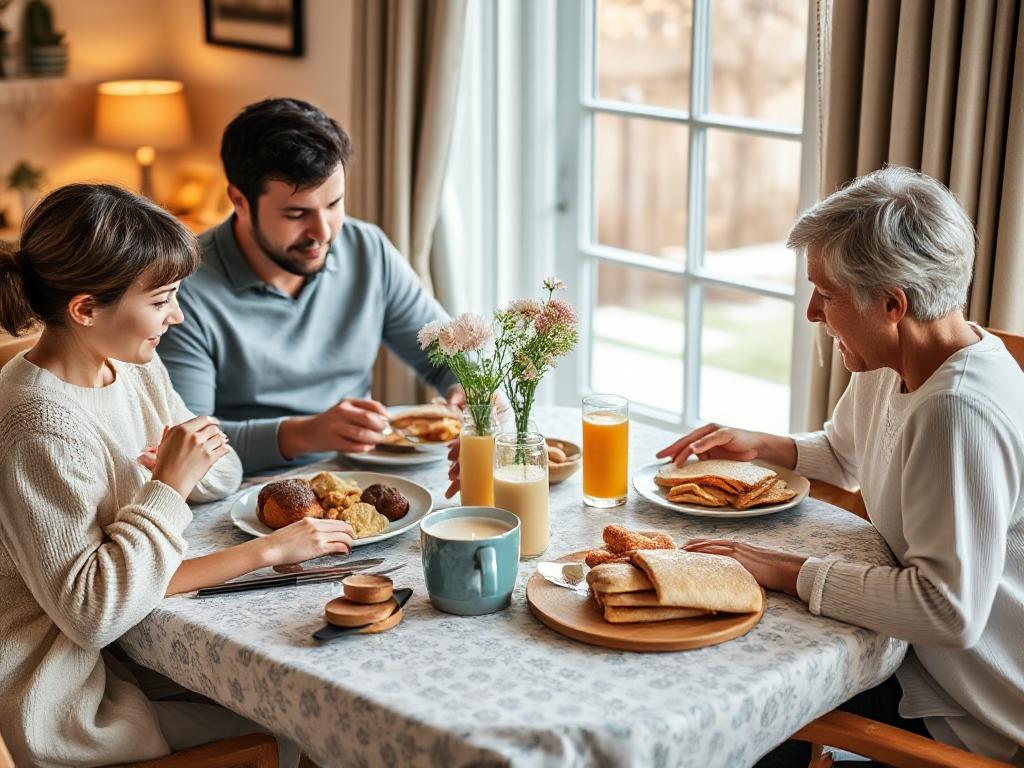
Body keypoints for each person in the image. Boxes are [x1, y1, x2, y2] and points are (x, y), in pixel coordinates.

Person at [658, 167, 1024, 765]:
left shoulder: (958, 412)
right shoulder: (907, 355)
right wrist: (764, 445)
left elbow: (947, 610)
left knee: (741, 708)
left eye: (826, 294)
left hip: (971, 709)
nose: (811, 313)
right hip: (921, 665)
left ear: (891, 304)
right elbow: (851, 455)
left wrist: (784, 569)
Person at [0, 184, 355, 767]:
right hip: (74, 699)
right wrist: (170, 490)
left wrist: (182, 464)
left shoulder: (125, 359)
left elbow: (224, 474)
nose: (178, 315)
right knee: (309, 722)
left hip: (131, 655)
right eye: (163, 299)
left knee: (307, 686)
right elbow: (93, 612)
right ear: (86, 308)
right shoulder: (37, 427)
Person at [159, 97, 459, 474]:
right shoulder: (181, 291)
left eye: (334, 204)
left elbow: (448, 352)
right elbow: (183, 447)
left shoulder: (366, 248)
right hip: (244, 489)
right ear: (240, 201)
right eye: (297, 214)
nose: (323, 232)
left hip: (359, 472)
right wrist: (305, 434)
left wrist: (470, 389)